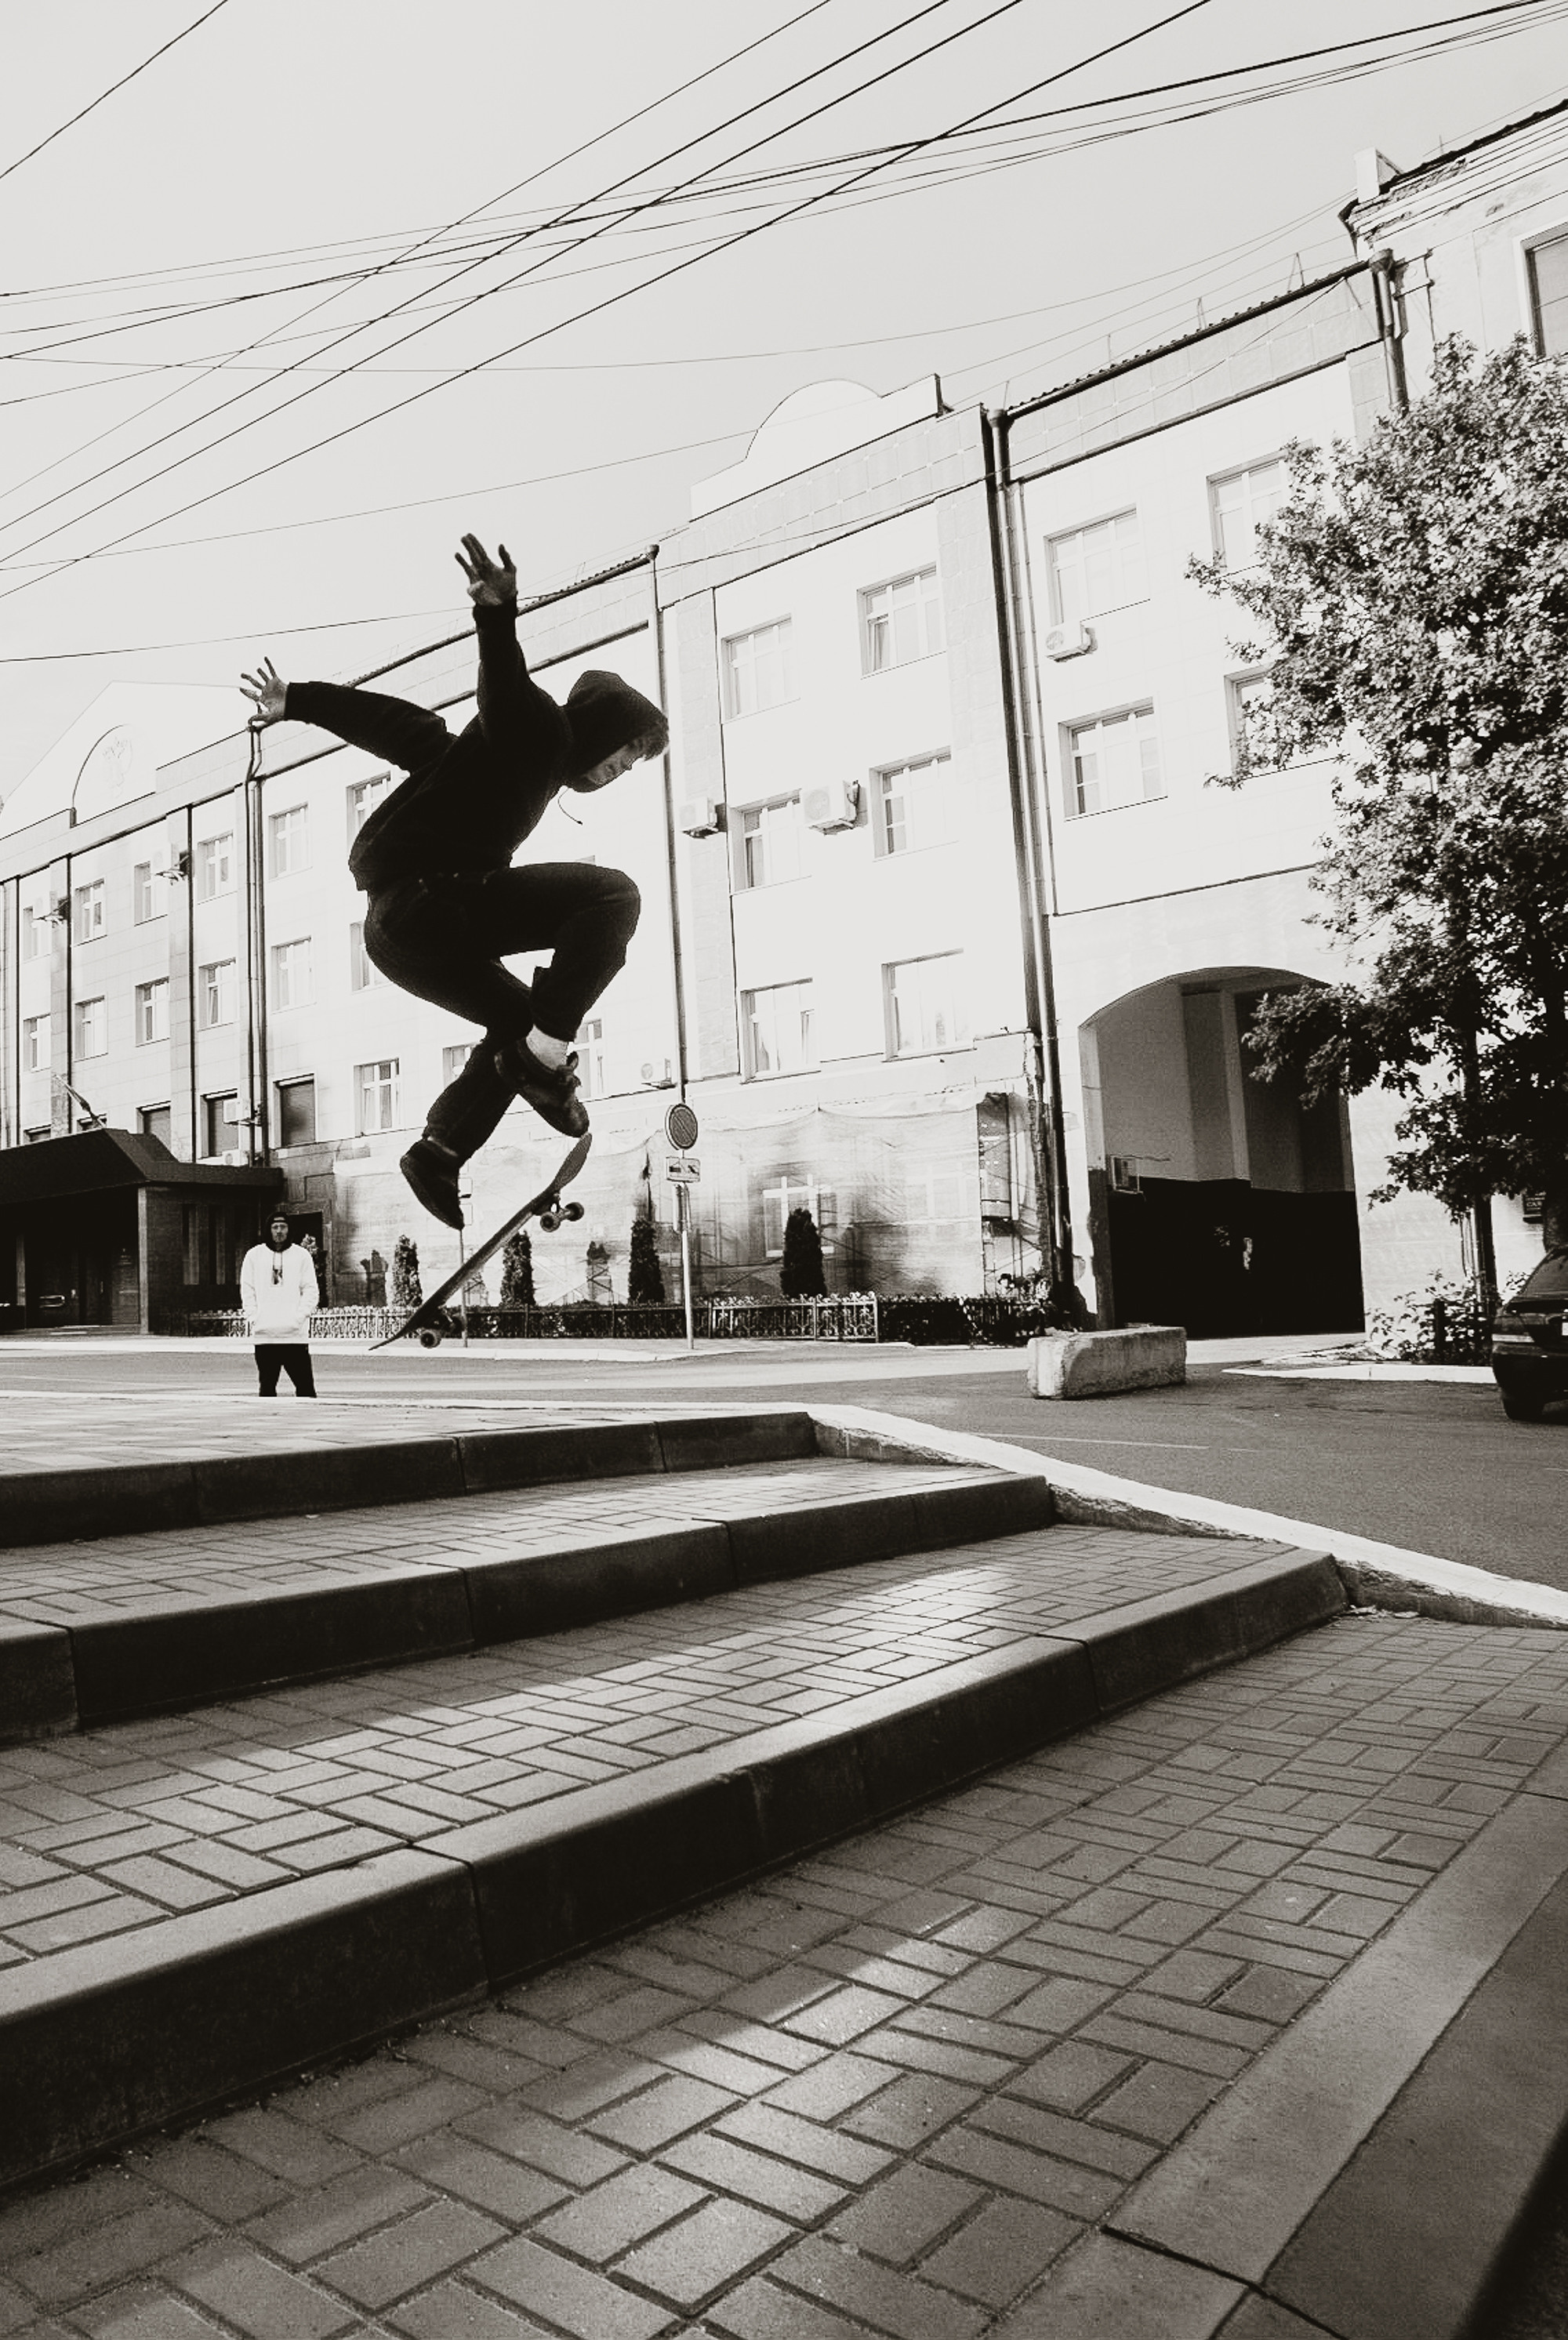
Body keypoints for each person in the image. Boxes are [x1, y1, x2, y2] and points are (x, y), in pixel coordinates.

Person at [241, 535, 667, 1231]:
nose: (616, 771)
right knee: (613, 896)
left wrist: (298, 700)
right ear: (602, 729)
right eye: (623, 755)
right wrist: (498, 616)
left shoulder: (475, 761)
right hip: (430, 900)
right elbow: (504, 688)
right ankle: (547, 1060)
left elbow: (397, 726)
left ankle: (440, 1150)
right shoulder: (542, 732)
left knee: (515, 1021)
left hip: (399, 931)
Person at [239, 1210, 319, 1397]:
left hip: (294, 1335)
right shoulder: (254, 1255)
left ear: (289, 1229)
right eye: (275, 1227)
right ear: (269, 1230)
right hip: (265, 1335)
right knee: (267, 1390)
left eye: (283, 1227)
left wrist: (299, 1318)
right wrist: (254, 1317)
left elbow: (310, 1289)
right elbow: (247, 1289)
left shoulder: (301, 1255)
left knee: (306, 1390)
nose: (279, 1231)